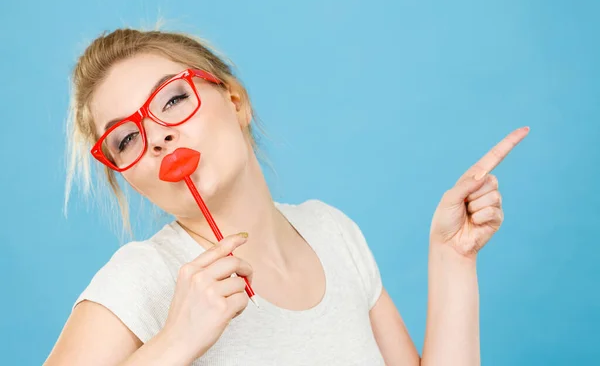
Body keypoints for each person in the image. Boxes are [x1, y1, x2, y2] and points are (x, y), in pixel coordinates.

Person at [45, 28, 529, 366]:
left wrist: (453, 257)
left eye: (172, 99)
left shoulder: (331, 231)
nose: (156, 137)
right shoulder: (142, 279)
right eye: (125, 139)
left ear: (235, 101)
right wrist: (175, 343)